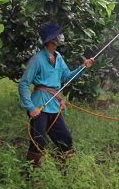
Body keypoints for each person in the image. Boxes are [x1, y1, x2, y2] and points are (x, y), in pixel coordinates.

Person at [18, 22, 94, 168]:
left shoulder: (58, 57)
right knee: (38, 142)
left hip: (54, 106)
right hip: (40, 105)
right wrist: (30, 107)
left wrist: (83, 67)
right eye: (58, 34)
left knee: (65, 140)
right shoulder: (38, 59)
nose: (61, 37)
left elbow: (66, 77)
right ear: (52, 39)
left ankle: (65, 173)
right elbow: (24, 83)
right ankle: (32, 177)